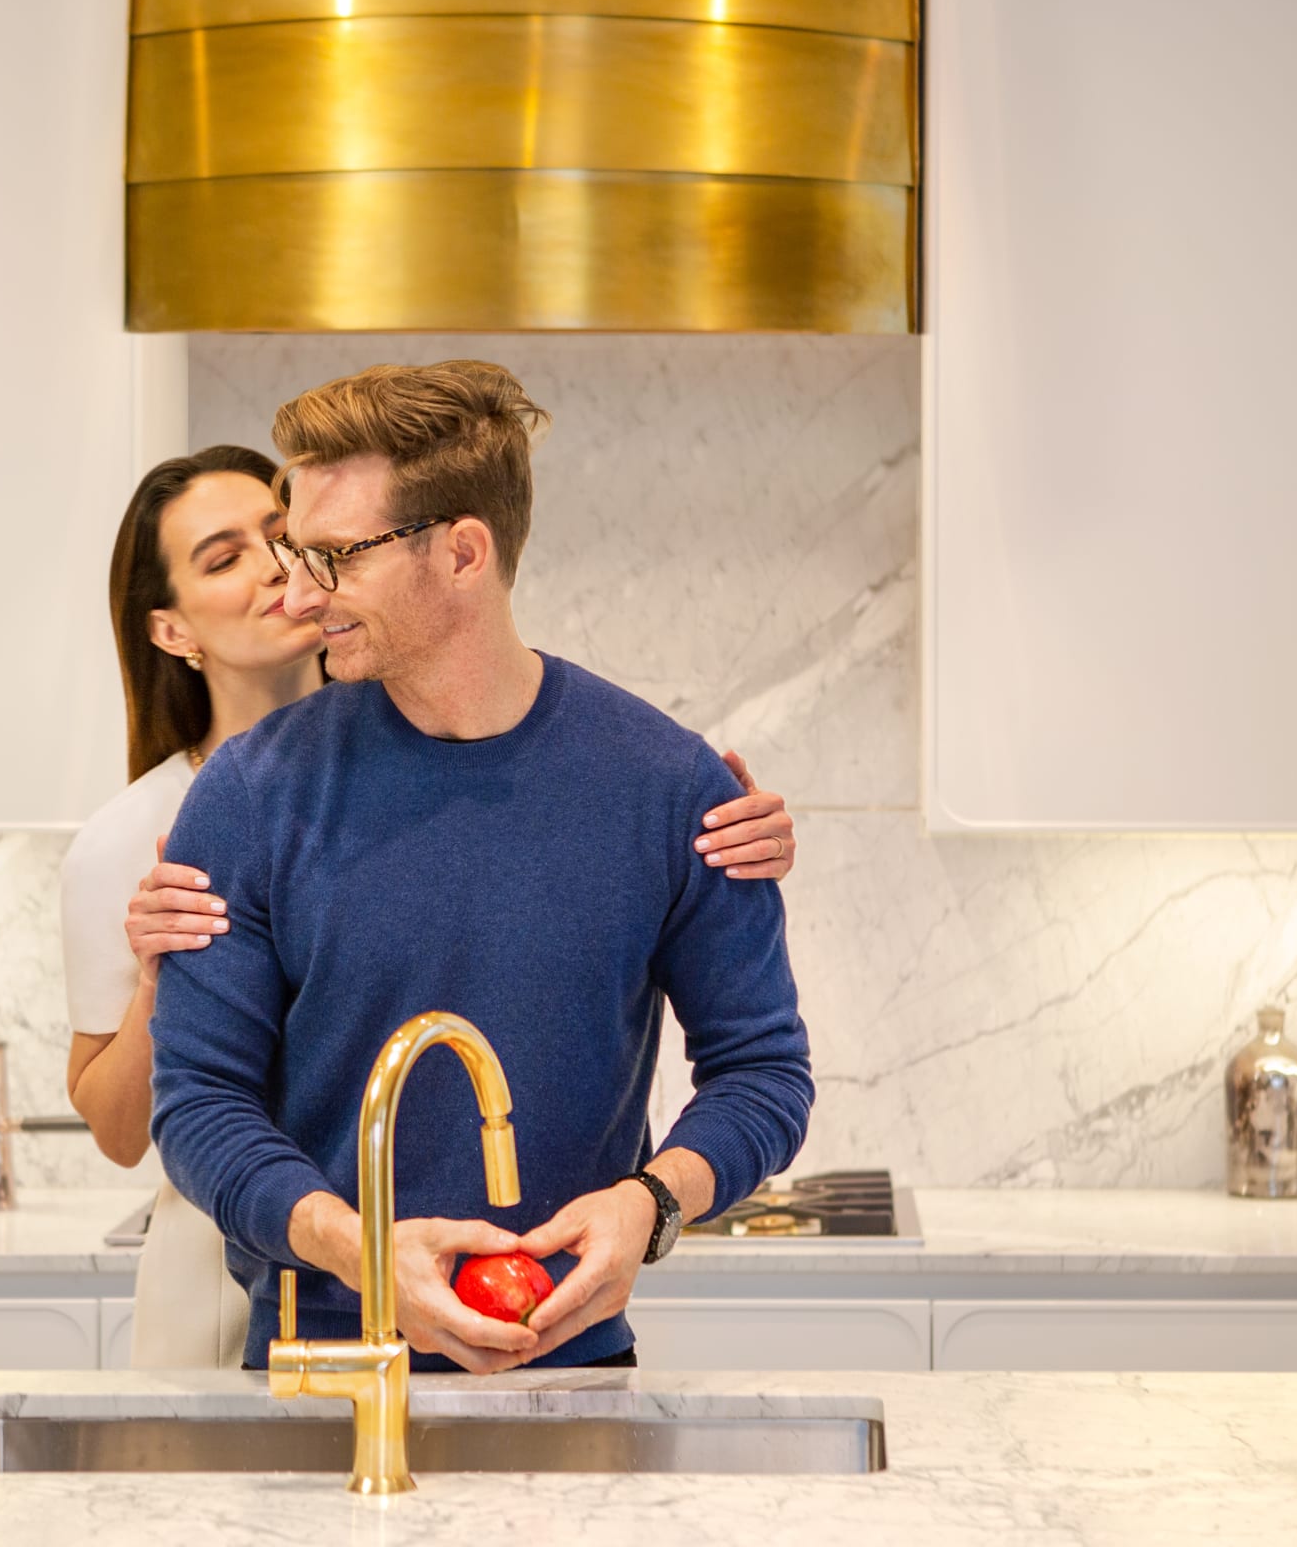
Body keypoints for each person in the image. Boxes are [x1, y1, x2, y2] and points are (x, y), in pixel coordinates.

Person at [59, 438, 803, 1362]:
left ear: (462, 554)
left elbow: (764, 1070)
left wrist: (651, 1202)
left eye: (322, 556)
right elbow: (194, 1101)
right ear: (172, 628)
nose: (294, 592)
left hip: (573, 1369)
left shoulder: (667, 781)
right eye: (282, 559)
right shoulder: (237, 798)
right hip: (314, 1365)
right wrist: (362, 1252)